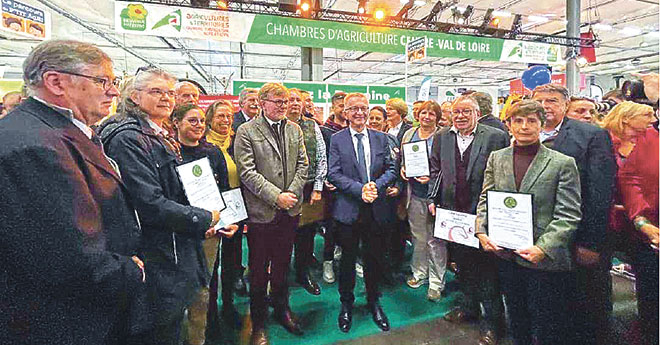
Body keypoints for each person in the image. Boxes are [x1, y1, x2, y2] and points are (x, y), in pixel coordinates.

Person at [0, 39, 143, 345]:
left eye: (113, 81)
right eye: (101, 80)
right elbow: (64, 253)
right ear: (55, 82)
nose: (114, 91)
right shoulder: (36, 145)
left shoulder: (53, 131)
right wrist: (129, 271)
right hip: (62, 318)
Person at [99, 67, 222, 345]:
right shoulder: (128, 138)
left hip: (173, 249)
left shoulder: (154, 133)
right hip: (158, 258)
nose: (167, 98)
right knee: (160, 328)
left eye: (169, 92)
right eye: (156, 91)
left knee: (172, 324)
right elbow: (149, 204)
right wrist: (203, 218)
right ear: (133, 96)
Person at [476, 99, 582, 345]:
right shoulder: (497, 158)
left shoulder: (561, 163)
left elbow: (568, 214)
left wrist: (543, 248)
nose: (525, 127)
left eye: (532, 121)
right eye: (518, 121)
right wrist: (481, 231)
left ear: (542, 125)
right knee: (516, 315)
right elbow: (486, 197)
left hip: (542, 258)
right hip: (506, 253)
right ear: (509, 125)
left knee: (547, 321)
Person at [532, 84, 616, 345]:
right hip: (540, 238)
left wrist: (591, 242)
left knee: (588, 303)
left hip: (579, 236)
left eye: (552, 101)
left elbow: (601, 191)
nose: (546, 106)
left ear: (565, 105)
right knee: (551, 302)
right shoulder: (525, 134)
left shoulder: (592, 135)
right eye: (540, 101)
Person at [427, 94, 509, 345]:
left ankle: (495, 323)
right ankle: (469, 307)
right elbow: (435, 169)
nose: (460, 116)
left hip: (483, 214)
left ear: (477, 113)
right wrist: (432, 197)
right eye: (456, 112)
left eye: (466, 111)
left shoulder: (495, 136)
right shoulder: (442, 136)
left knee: (488, 271)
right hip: (453, 214)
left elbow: (504, 174)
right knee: (462, 265)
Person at [234, 82, 309, 345]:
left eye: (286, 101)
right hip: (262, 213)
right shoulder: (246, 131)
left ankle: (282, 309)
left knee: (281, 265)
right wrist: (276, 196)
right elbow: (247, 171)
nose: (283, 106)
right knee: (258, 270)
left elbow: (303, 164)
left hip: (290, 211)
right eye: (277, 101)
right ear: (262, 103)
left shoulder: (295, 129)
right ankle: (259, 322)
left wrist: (291, 194)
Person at [327, 92, 397, 333]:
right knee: (347, 260)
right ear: (345, 113)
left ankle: (373, 301)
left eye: (363, 108)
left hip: (376, 209)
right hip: (349, 209)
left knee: (374, 258)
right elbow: (333, 173)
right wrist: (360, 190)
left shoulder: (381, 138)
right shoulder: (337, 139)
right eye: (353, 108)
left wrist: (375, 187)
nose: (359, 112)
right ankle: (346, 304)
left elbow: (391, 169)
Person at [170, 104, 238, 345]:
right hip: (178, 233)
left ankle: (199, 338)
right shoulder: (168, 152)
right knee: (176, 291)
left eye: (201, 121)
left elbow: (224, 192)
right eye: (192, 121)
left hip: (210, 232)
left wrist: (228, 221)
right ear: (176, 122)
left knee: (203, 291)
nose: (199, 125)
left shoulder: (212, 152)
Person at [601, 101, 658, 345]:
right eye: (646, 115)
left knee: (649, 277)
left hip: (646, 219)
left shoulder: (652, 140)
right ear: (626, 119)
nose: (653, 119)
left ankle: (649, 327)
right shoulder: (603, 141)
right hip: (609, 220)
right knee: (601, 278)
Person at [204, 99, 246, 329]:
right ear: (210, 118)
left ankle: (228, 305)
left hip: (236, 209)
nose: (225, 120)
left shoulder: (237, 142)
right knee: (211, 263)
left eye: (229, 116)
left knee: (232, 260)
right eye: (220, 116)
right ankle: (210, 313)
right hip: (211, 211)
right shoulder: (203, 144)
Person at [399, 100, 446, 301]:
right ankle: (419, 273)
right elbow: (403, 158)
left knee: (436, 240)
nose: (426, 117)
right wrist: (403, 168)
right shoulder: (409, 134)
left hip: (436, 196)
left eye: (431, 114)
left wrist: (433, 178)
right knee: (418, 237)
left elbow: (448, 166)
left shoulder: (444, 136)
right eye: (423, 113)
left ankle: (437, 282)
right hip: (415, 194)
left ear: (438, 117)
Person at [286, 88, 327, 296]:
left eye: (297, 100)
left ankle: (303, 273)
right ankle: (281, 275)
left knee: (306, 235)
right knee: (283, 235)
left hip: (309, 188)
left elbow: (321, 157)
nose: (294, 103)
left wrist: (318, 187)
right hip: (281, 191)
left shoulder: (312, 126)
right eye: (290, 99)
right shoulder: (275, 125)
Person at [319, 91, 349, 284]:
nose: (344, 111)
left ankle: (348, 257)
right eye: (341, 107)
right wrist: (325, 179)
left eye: (347, 107)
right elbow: (320, 159)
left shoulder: (355, 129)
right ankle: (327, 261)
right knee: (331, 225)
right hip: (331, 186)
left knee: (350, 226)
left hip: (351, 186)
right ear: (334, 108)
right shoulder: (324, 130)